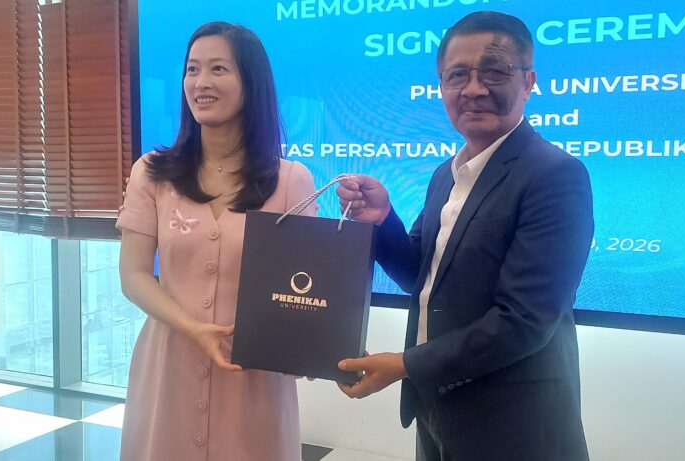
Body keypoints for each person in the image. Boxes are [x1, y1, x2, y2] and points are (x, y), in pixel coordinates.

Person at [335, 11, 593, 461]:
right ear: (441, 86)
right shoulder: (447, 174)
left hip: (514, 422)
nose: (473, 89)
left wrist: (405, 365)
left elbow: (524, 321)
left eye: (493, 71)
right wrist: (382, 220)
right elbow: (422, 276)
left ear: (528, 82)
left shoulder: (555, 175)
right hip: (437, 408)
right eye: (457, 75)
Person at [116, 21, 316, 461]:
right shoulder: (152, 173)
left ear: (251, 82)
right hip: (169, 365)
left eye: (218, 69)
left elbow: (305, 286)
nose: (200, 82)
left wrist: (308, 346)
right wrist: (193, 329)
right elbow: (133, 276)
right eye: (192, 69)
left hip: (253, 373)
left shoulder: (291, 180)